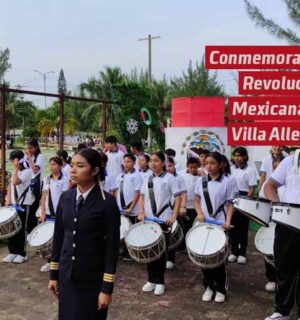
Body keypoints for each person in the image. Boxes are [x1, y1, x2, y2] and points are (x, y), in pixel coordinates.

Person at [48, 148, 120, 320]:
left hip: (92, 280)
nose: (72, 170)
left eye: (80, 166)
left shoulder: (106, 203)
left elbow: (112, 249)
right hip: (67, 277)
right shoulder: (66, 197)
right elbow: (59, 237)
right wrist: (54, 274)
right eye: (72, 165)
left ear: (95, 170)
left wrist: (106, 288)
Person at [138, 152, 182, 296]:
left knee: (161, 253)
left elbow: (178, 198)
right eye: (151, 161)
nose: (153, 163)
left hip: (164, 221)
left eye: (156, 161)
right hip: (149, 221)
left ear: (163, 163)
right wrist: (141, 212)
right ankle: (151, 280)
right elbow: (142, 197)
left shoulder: (170, 179)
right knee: (149, 251)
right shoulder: (147, 179)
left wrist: (174, 215)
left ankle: (160, 281)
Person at [193, 151, 235, 303]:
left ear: (220, 164)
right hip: (204, 224)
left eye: (212, 163)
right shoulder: (201, 181)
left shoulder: (228, 181)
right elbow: (197, 200)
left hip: (220, 225)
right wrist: (199, 213)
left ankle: (220, 289)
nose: (209, 166)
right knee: (204, 257)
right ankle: (208, 287)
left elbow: (230, 203)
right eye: (207, 163)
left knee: (218, 259)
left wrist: (228, 220)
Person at [264, 147, 300, 320]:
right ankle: (282, 311)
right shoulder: (290, 161)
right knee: (284, 267)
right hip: (287, 222)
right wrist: (277, 204)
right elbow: (270, 186)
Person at [3, 150, 34, 263]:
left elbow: (15, 182)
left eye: (13, 160)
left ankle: (22, 253)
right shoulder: (17, 171)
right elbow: (11, 185)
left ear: (18, 160)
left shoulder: (27, 172)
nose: (12, 162)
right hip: (14, 204)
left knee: (21, 229)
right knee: (12, 228)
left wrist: (16, 168)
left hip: (23, 204)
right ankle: (12, 252)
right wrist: (8, 199)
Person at [39, 157, 70, 272]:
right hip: (48, 213)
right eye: (50, 164)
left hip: (59, 214)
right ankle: (50, 262)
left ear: (60, 166)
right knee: (49, 239)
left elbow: (64, 198)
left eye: (54, 164)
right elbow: (43, 197)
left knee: (60, 239)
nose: (52, 167)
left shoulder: (65, 179)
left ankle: (60, 262)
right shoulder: (46, 179)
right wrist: (42, 212)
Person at [259, 157, 284, 294]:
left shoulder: (290, 186)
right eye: (275, 168)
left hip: (285, 225)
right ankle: (271, 279)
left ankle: (283, 280)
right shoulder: (266, 186)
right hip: (270, 223)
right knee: (268, 251)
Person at [228, 147, 257, 264]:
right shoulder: (231, 169)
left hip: (244, 198)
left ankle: (242, 253)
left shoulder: (250, 170)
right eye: (235, 155)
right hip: (232, 198)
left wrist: (246, 202)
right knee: (232, 227)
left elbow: (251, 188)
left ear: (245, 157)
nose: (237, 158)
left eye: (240, 155)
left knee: (243, 228)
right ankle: (233, 251)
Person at [116, 153, 143, 261]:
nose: (126, 164)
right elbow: (118, 191)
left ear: (134, 163)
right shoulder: (120, 176)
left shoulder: (137, 176)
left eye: (129, 162)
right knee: (122, 229)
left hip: (132, 209)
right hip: (121, 208)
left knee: (131, 230)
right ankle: (122, 248)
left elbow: (137, 193)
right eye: (125, 161)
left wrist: (131, 207)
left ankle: (131, 252)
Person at [165, 156, 187, 269]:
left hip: (174, 209)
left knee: (171, 233)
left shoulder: (179, 178)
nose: (168, 168)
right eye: (166, 166)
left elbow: (183, 194)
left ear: (174, 166)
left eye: (170, 166)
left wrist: (182, 207)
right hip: (162, 211)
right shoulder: (162, 178)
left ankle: (170, 258)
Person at [25, 139, 46, 233]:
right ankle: (27, 228)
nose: (29, 150)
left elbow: (35, 170)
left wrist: (29, 158)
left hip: (35, 185)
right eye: (27, 148)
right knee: (27, 207)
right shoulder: (29, 156)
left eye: (31, 148)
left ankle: (31, 229)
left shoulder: (40, 157)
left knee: (33, 208)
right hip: (27, 184)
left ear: (36, 147)